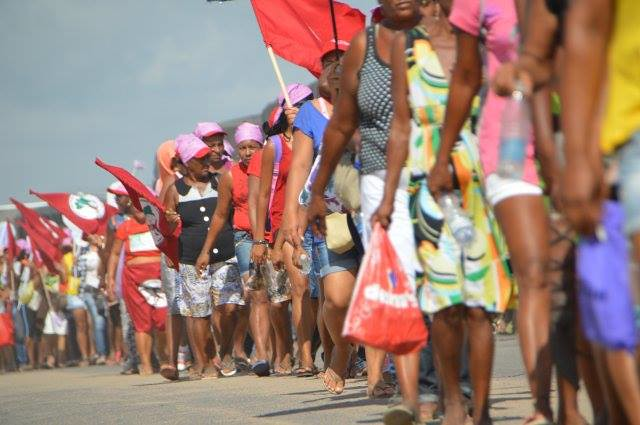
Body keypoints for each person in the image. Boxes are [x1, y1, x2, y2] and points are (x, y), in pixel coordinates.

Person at [372, 1, 515, 423]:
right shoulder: (406, 45)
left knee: (480, 305)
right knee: (444, 303)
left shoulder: (480, 39)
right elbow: (401, 123)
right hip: (426, 182)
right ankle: (452, 400)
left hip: (480, 175)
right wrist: (388, 197)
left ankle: (482, 410)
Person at [426, 0, 558, 421]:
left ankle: (578, 402)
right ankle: (543, 407)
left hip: (578, 133)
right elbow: (467, 76)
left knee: (574, 279)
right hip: (510, 145)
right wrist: (443, 156)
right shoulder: (476, 3)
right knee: (536, 275)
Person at [306, 0, 424, 420]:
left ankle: (451, 385)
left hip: (436, 170)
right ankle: (410, 395)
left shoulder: (445, 34)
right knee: (395, 281)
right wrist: (316, 191)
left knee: (441, 285)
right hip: (375, 178)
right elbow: (341, 123)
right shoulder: (365, 46)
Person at [282, 42, 365, 388]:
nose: (334, 68)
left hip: (371, 212)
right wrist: (291, 213)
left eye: (342, 61)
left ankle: (380, 372)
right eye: (327, 62)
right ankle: (342, 350)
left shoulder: (369, 104)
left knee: (376, 290)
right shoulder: (309, 114)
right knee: (335, 299)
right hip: (329, 217)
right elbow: (301, 165)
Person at [196, 123, 290, 377]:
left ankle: (283, 352)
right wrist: (206, 250)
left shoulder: (275, 169)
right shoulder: (230, 176)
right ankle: (262, 355)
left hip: (274, 236)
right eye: (243, 148)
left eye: (253, 147)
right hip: (245, 238)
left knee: (278, 300)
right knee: (256, 295)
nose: (248, 152)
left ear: (262, 147)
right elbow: (220, 215)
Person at [164, 133, 242, 379]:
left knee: (230, 307)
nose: (207, 163)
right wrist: (170, 222)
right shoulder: (175, 190)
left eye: (207, 157)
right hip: (190, 258)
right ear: (187, 163)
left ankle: (226, 351)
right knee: (199, 312)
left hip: (225, 253)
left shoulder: (220, 182)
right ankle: (206, 361)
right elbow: (165, 228)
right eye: (201, 159)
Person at [249, 84, 313, 376]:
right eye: (298, 103)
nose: (303, 107)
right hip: (284, 225)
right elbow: (262, 195)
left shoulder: (317, 136)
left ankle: (321, 354)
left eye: (308, 102)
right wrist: (260, 239)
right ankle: (300, 356)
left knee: (316, 293)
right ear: (285, 110)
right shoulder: (273, 146)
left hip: (317, 219)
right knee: (295, 291)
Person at [106, 204, 168, 376]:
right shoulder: (125, 227)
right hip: (134, 280)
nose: (138, 209)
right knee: (142, 324)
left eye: (141, 205)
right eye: (134, 206)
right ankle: (145, 363)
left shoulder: (158, 224)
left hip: (159, 277)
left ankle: (164, 359)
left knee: (162, 320)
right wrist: (110, 277)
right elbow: (115, 254)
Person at [104, 182, 139, 375]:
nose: (117, 200)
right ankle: (132, 359)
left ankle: (155, 357)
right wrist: (108, 277)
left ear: (130, 198)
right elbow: (110, 252)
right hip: (123, 276)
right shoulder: (114, 221)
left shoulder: (146, 216)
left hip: (147, 271)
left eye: (120, 196)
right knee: (127, 320)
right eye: (116, 197)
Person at [78, 234, 107, 365]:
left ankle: (111, 352)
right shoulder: (83, 254)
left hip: (105, 290)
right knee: (98, 321)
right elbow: (78, 274)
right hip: (91, 292)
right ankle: (101, 353)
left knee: (109, 323)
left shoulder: (105, 249)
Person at [63, 242, 91, 367]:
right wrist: (72, 266)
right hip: (75, 294)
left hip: (89, 290)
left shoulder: (89, 252)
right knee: (81, 325)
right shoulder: (66, 257)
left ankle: (95, 353)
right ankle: (85, 356)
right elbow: (64, 278)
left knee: (91, 325)